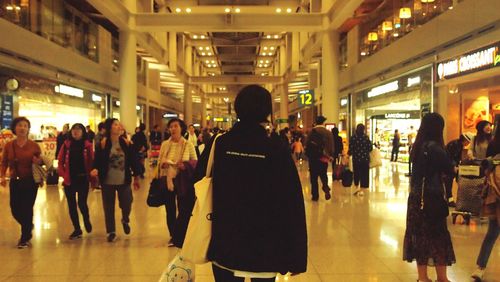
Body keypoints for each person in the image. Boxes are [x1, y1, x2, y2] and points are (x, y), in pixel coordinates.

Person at [198, 84, 306, 281]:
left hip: (226, 244)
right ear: (267, 112)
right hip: (265, 247)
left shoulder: (220, 144)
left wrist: (181, 234)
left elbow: (196, 187)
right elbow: (292, 203)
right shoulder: (276, 148)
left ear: (237, 108)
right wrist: (297, 256)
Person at [403, 113, 456, 282]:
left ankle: (423, 277)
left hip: (416, 197)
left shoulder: (417, 146)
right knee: (438, 236)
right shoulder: (436, 148)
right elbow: (449, 169)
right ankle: (442, 278)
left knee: (420, 237)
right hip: (432, 197)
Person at [91, 118, 142, 242]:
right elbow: (97, 160)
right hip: (107, 180)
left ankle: (125, 219)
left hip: (123, 180)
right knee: (108, 207)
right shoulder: (103, 144)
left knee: (127, 203)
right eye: (115, 124)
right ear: (109, 128)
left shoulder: (125, 143)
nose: (118, 126)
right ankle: (111, 231)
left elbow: (133, 161)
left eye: (119, 124)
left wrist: (137, 176)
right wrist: (95, 169)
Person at [0, 117, 42, 248]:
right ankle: (28, 225)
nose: (22, 128)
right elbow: (4, 162)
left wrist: (38, 162)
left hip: (30, 181)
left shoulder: (34, 146)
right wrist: (2, 176)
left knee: (27, 208)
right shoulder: (9, 145)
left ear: (28, 129)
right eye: (20, 125)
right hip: (15, 180)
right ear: (15, 128)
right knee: (15, 209)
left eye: (25, 126)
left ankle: (24, 237)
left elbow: (40, 163)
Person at [156, 118, 197, 247]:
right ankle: (173, 236)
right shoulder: (165, 144)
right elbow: (159, 161)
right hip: (167, 180)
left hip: (182, 180)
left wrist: (185, 165)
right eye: (171, 127)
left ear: (181, 128)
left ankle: (180, 235)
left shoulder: (187, 144)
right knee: (170, 209)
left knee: (183, 209)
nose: (173, 129)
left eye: (175, 126)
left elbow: (195, 161)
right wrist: (162, 164)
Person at [471, 125, 499, 281]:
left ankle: (480, 267)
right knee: (492, 232)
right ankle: (480, 267)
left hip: (495, 194)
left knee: (492, 232)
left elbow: (487, 169)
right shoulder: (492, 143)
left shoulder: (493, 143)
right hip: (496, 191)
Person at [57, 123, 94, 240]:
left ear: (83, 132)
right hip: (69, 180)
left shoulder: (87, 146)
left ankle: (86, 219)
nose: (75, 132)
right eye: (74, 129)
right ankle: (77, 229)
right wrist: (63, 174)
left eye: (78, 130)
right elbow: (60, 161)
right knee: (71, 205)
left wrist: (93, 179)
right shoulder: (66, 145)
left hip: (83, 179)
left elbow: (92, 162)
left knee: (82, 203)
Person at [305, 116, 334, 201]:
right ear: (323, 123)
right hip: (324, 158)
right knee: (323, 174)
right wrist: (331, 155)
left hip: (313, 158)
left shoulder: (311, 132)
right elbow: (331, 145)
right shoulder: (328, 132)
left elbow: (307, 144)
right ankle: (325, 186)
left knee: (313, 177)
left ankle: (315, 196)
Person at [444, 132, 473, 206]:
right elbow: (450, 156)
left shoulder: (458, 144)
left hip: (450, 167)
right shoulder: (455, 145)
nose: (468, 144)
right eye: (468, 142)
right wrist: (453, 166)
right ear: (465, 140)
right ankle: (449, 200)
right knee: (448, 183)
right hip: (448, 168)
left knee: (450, 183)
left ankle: (450, 199)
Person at [348, 124, 373, 196]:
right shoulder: (366, 137)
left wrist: (348, 154)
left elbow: (351, 149)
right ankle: (363, 190)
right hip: (365, 159)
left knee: (356, 173)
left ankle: (356, 187)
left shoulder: (353, 138)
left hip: (356, 159)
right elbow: (370, 148)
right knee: (364, 174)